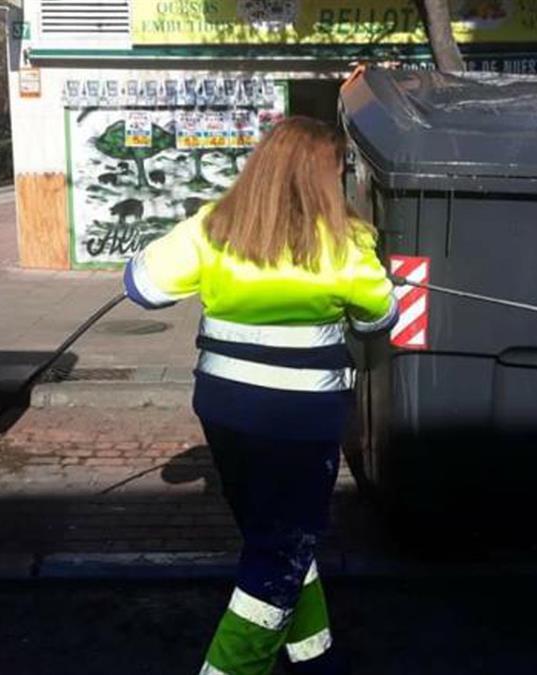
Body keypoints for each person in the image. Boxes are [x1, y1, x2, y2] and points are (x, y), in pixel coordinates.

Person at [122, 116, 398, 675]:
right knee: (280, 552)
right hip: (304, 421)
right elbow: (379, 318)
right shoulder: (344, 243)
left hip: (224, 412)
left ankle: (314, 655)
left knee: (272, 535)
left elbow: (141, 288)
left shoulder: (213, 227)